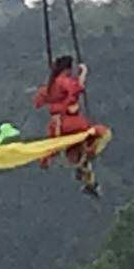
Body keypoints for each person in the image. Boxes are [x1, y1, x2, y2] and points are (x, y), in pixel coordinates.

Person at [32, 54, 106, 196]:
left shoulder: (50, 86)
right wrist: (83, 73)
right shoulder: (63, 81)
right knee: (95, 137)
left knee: (65, 147)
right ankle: (85, 171)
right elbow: (77, 88)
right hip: (72, 124)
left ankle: (85, 176)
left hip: (57, 125)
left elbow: (38, 102)